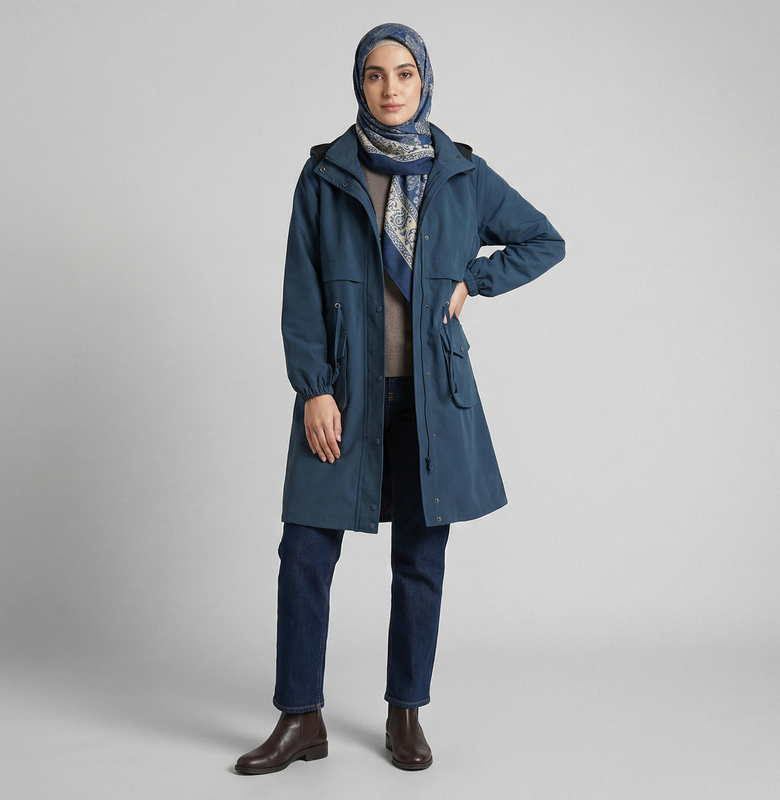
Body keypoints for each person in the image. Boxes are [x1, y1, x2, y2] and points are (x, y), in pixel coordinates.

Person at [234, 22, 565, 775]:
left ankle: (405, 712)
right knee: (304, 553)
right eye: (376, 75)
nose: (390, 89)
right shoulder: (325, 174)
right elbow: (300, 292)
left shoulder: (461, 173)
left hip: (431, 400)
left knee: (420, 558)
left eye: (404, 73)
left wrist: (472, 281)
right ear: (359, 84)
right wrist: (314, 390)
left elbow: (543, 241)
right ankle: (300, 716)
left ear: (425, 82)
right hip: (344, 396)